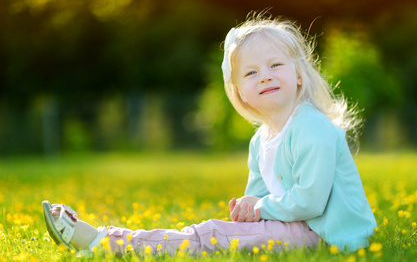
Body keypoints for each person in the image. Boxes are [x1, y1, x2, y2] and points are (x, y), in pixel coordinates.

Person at [42, 13, 377, 256]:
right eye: (251, 72)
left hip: (327, 235)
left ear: (299, 75)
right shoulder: (261, 141)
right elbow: (258, 199)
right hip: (299, 227)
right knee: (220, 233)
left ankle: (108, 243)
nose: (265, 77)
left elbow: (310, 201)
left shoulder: (312, 126)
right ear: (240, 92)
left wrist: (259, 210)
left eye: (276, 65)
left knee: (213, 234)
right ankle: (112, 242)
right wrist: (249, 207)